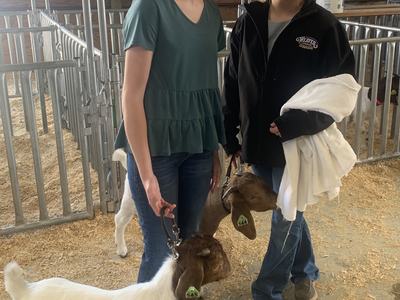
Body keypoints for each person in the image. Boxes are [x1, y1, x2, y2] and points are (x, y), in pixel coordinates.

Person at [223, 0, 355, 299]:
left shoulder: (324, 26)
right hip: (256, 141)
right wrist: (230, 134)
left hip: (297, 144)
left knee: (286, 216)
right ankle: (305, 272)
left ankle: (267, 290)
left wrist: (299, 123)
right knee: (288, 209)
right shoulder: (248, 22)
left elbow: (342, 90)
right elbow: (232, 78)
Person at [115, 0, 226, 283]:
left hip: (199, 147)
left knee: (189, 242)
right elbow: (131, 95)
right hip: (157, 148)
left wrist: (212, 147)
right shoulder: (148, 8)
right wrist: (146, 174)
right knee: (160, 248)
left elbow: (203, 83)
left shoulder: (212, 13)